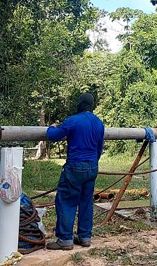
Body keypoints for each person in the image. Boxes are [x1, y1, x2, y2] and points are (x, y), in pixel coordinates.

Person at [46, 93, 105, 250]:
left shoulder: (73, 120)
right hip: (92, 166)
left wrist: (51, 127)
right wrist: (92, 163)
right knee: (86, 202)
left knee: (66, 200)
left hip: (75, 166)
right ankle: (85, 237)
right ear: (92, 105)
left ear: (79, 104)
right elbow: (99, 148)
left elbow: (53, 136)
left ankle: (65, 239)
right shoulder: (99, 123)